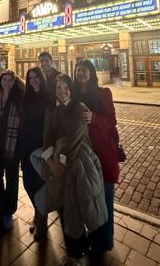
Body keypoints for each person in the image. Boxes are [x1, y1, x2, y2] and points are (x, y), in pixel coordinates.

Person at [32, 74, 107, 266]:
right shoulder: (51, 109)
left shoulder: (80, 108)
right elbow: (47, 135)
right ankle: (74, 253)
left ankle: (81, 252)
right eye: (58, 88)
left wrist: (59, 163)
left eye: (66, 87)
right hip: (59, 163)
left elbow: (73, 140)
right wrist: (50, 161)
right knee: (65, 209)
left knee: (79, 207)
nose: (62, 91)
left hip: (79, 164)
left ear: (71, 89)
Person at [74, 59, 120, 263]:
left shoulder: (103, 93)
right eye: (77, 70)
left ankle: (105, 240)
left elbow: (112, 121)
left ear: (91, 73)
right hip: (82, 154)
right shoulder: (73, 95)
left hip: (102, 153)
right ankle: (94, 234)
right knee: (89, 199)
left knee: (106, 199)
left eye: (84, 70)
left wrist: (94, 118)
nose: (80, 73)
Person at [0, 70, 24, 231]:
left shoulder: (19, 99)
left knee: (12, 179)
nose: (7, 82)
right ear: (0, 80)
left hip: (13, 146)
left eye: (10, 80)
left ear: (15, 82)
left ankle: (9, 211)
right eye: (4, 79)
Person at [19, 67, 50, 241]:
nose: (33, 80)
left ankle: (42, 219)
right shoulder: (27, 95)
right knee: (28, 183)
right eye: (30, 78)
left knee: (39, 184)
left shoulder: (49, 96)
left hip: (40, 147)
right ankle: (38, 213)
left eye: (36, 76)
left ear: (41, 77)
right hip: (25, 145)